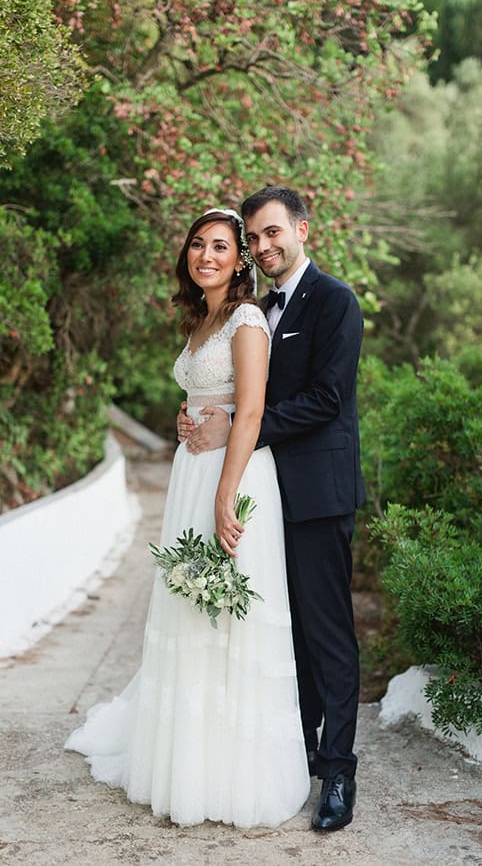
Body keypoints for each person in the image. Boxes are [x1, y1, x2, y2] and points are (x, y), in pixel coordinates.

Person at [65, 208, 310, 829]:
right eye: (198, 245)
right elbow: (209, 395)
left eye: (222, 247)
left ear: (241, 259)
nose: (207, 255)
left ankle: (234, 777)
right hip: (191, 473)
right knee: (193, 614)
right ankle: (190, 764)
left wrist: (225, 496)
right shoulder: (203, 318)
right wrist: (185, 417)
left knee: (231, 617)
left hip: (233, 476)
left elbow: (250, 413)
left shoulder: (248, 319)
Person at [178, 187, 365, 832]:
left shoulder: (336, 302)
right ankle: (301, 752)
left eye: (271, 233)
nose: (263, 247)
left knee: (327, 634)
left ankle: (338, 772)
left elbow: (326, 400)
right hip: (265, 490)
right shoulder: (253, 309)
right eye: (253, 238)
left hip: (316, 494)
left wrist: (234, 425)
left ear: (302, 230)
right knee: (281, 633)